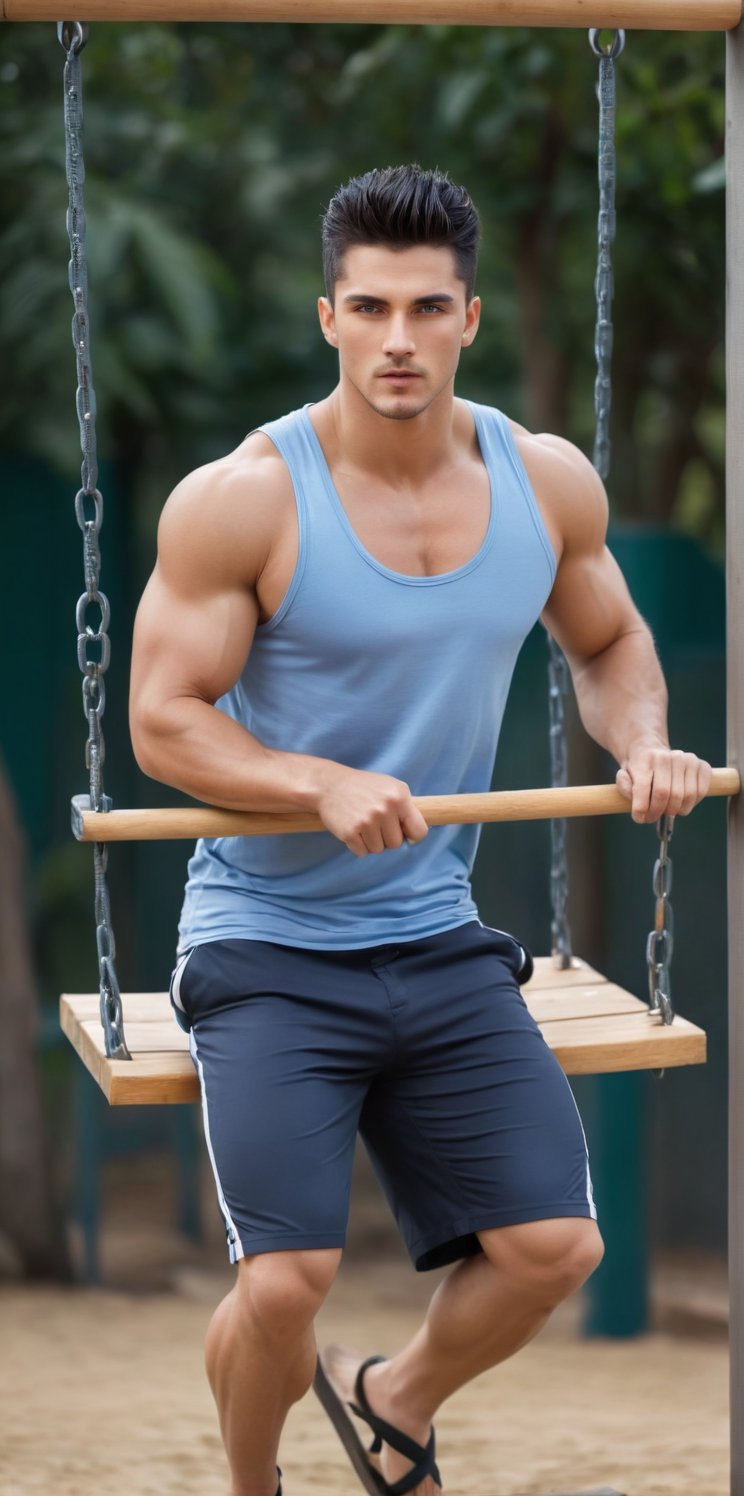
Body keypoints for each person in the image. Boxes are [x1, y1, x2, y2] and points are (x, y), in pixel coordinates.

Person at [129, 164, 711, 1496]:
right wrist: (311, 780)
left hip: (433, 936)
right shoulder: (246, 498)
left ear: (471, 317)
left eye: (427, 308)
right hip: (267, 939)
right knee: (286, 1282)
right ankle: (253, 1485)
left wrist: (645, 744)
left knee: (557, 1248)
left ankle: (394, 1400)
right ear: (328, 315)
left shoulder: (545, 482)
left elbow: (611, 638)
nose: (400, 338)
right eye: (372, 307)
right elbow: (164, 721)